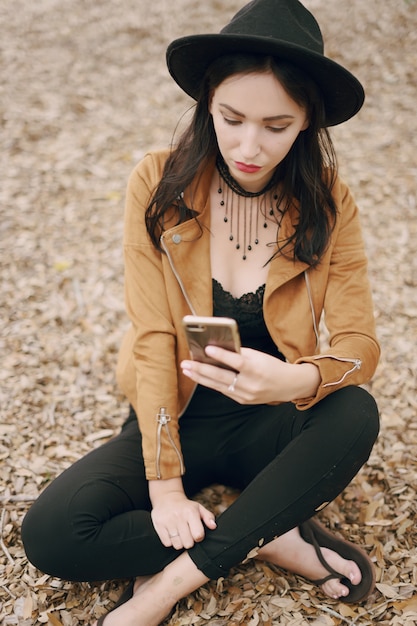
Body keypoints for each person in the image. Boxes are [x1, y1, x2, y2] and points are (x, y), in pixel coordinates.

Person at [21, 1, 381, 624]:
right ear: (207, 103)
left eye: (276, 125)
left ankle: (170, 584)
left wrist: (294, 380)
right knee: (52, 535)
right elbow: (152, 335)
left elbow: (360, 344)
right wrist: (165, 489)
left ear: (306, 123)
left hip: (271, 423)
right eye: (231, 118)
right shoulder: (157, 184)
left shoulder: (330, 202)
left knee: (355, 410)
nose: (249, 145)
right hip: (174, 415)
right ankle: (266, 534)